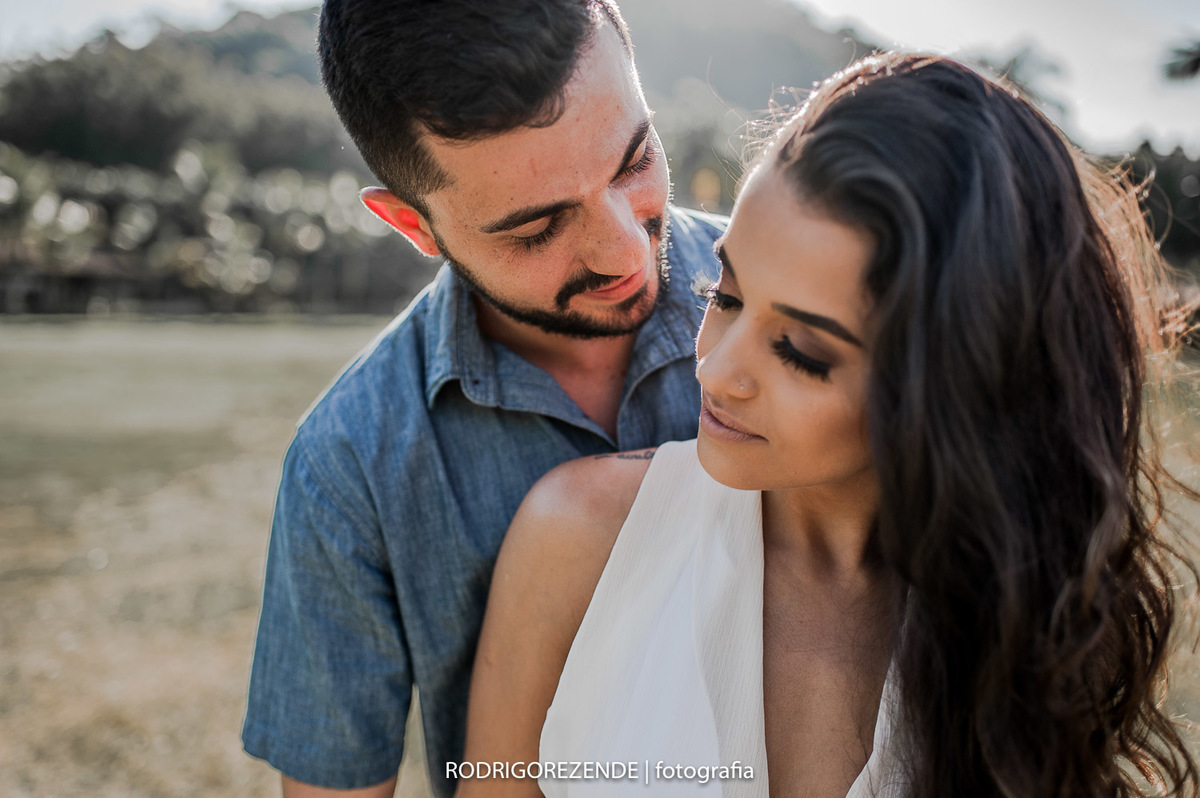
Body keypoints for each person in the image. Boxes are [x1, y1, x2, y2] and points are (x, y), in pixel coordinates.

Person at [462, 53, 1200, 797]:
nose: (716, 372)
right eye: (726, 294)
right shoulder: (578, 540)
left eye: (800, 352)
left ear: (949, 385)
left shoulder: (1024, 624)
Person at [240, 1, 727, 795]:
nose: (624, 250)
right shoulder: (347, 467)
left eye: (635, 159)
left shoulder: (827, 304)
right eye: (537, 228)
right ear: (413, 224)